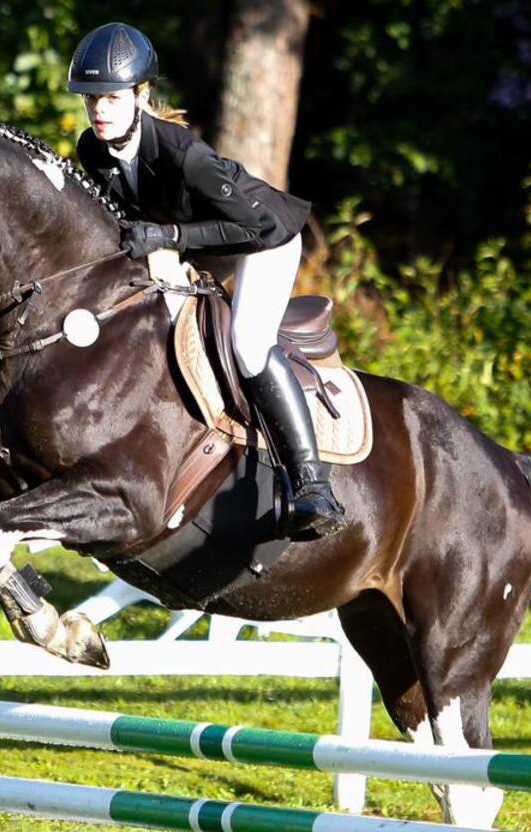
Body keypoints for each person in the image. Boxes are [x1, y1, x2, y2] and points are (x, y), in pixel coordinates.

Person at [69, 22, 346, 541]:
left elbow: (254, 227)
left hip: (266, 238)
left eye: (110, 98)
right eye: (91, 100)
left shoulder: (183, 154)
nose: (99, 111)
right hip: (195, 245)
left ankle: (312, 483)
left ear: (140, 95)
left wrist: (168, 234)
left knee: (247, 343)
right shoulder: (93, 150)